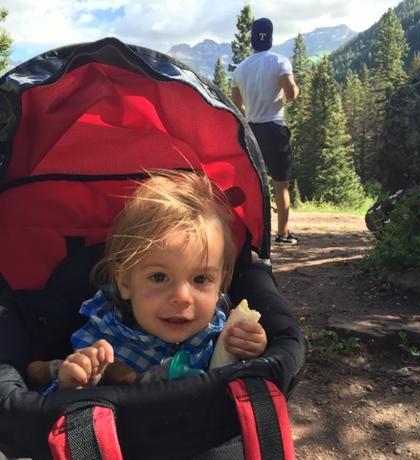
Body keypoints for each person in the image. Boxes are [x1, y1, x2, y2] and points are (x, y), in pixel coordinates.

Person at [28, 170, 267, 391]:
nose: (182, 297)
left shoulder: (219, 330)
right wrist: (72, 384)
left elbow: (242, 371)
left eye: (201, 278)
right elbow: (53, 412)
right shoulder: (101, 340)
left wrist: (251, 346)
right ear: (124, 284)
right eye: (159, 277)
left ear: (220, 285)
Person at [231, 17, 300, 245]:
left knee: (252, 184)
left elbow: (236, 105)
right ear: (270, 37)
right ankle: (282, 233)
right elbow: (290, 94)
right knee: (281, 185)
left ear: (252, 39)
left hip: (251, 132)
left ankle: (252, 235)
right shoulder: (280, 62)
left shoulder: (240, 69)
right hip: (275, 129)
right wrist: (287, 94)